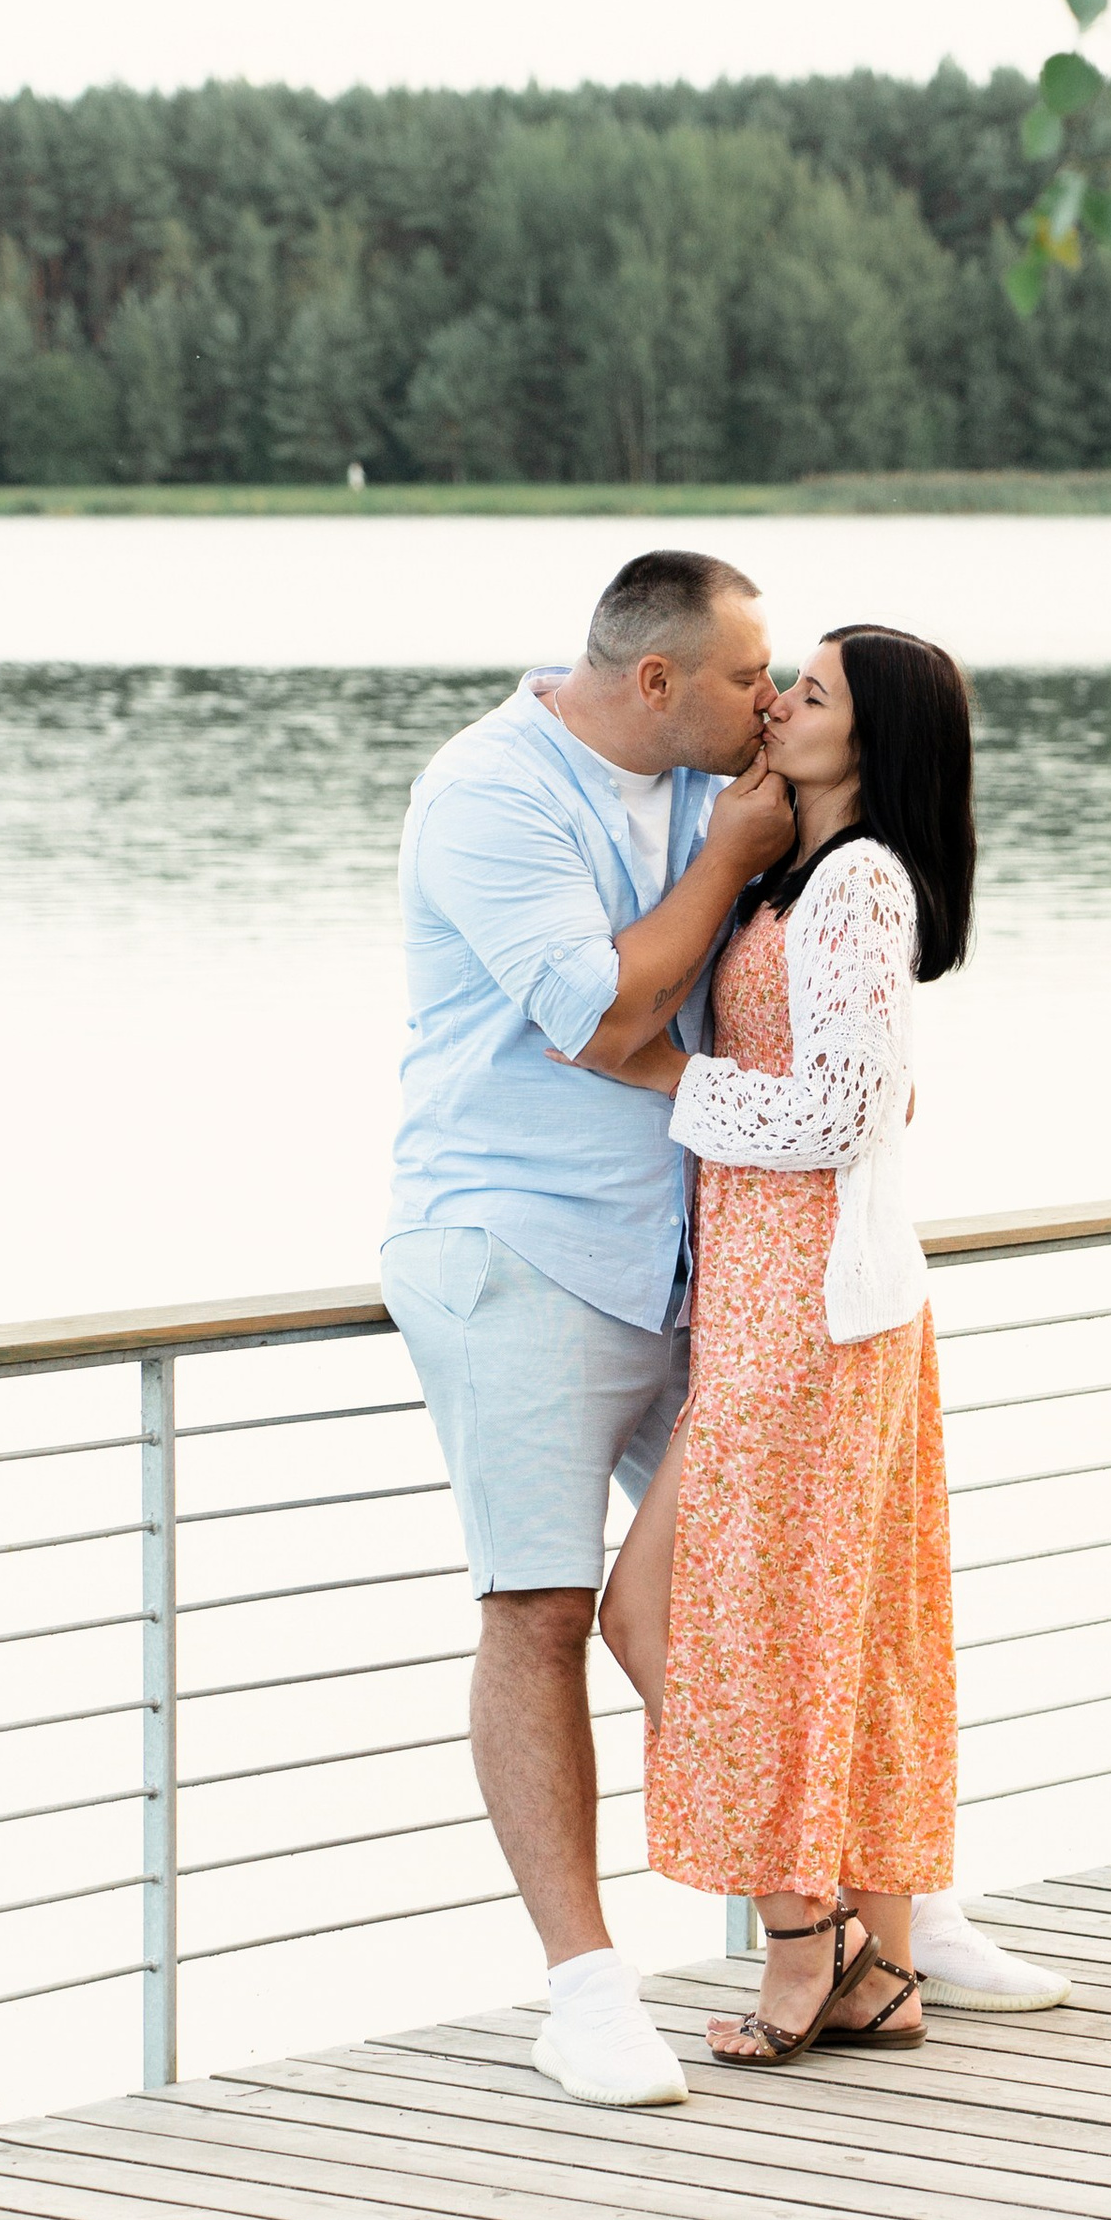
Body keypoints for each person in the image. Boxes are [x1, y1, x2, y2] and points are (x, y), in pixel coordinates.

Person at [588, 626, 1055, 2063]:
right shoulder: (811, 873)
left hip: (807, 1316)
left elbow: (841, 1115)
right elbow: (869, 1097)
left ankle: (810, 1949)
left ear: (877, 739)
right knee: (819, 1633)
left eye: (814, 692)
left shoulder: (856, 885)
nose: (780, 699)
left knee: (710, 1623)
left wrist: (674, 1076)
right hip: (786, 1304)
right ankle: (878, 1961)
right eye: (785, 679)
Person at [381, 551, 794, 2109]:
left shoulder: (713, 772)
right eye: (751, 676)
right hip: (519, 1248)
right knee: (542, 1609)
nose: (769, 697)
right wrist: (739, 845)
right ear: (655, 683)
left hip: (689, 1246)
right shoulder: (490, 794)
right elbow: (603, 1017)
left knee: (767, 1579)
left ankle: (861, 1904)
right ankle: (588, 1989)